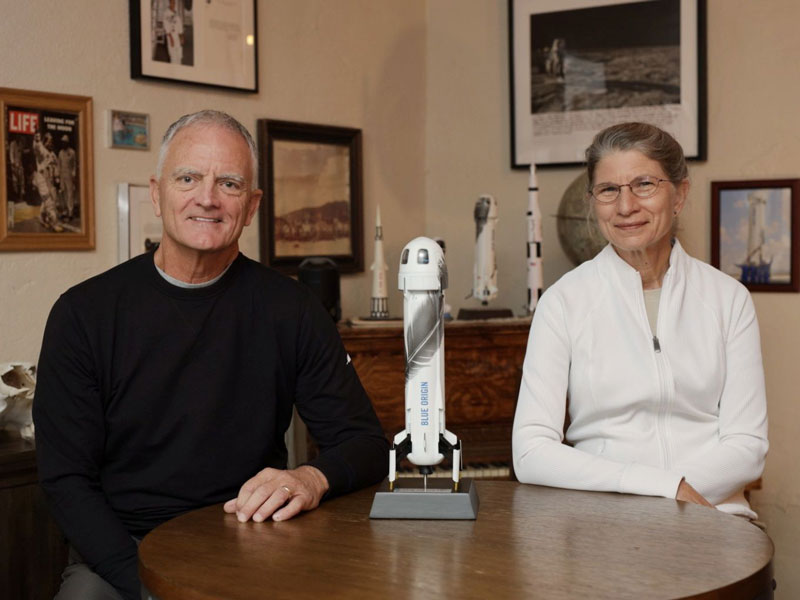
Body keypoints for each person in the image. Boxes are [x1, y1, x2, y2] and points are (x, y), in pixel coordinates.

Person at [34, 110, 389, 600]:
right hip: (121, 550)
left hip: (252, 540)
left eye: (229, 183)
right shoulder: (83, 314)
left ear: (252, 206)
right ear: (157, 194)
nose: (208, 197)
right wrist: (145, 585)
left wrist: (310, 477)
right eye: (188, 178)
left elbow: (366, 443)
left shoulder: (293, 310)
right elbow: (65, 479)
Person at [512, 122, 768, 519]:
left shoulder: (728, 299)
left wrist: (678, 496)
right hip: (607, 526)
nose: (625, 206)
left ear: (680, 193)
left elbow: (747, 446)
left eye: (644, 184)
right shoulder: (563, 302)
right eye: (608, 190)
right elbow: (530, 452)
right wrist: (664, 488)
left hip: (715, 520)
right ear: (592, 201)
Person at [58, 134, 77, 219]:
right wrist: (58, 176)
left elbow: (74, 165)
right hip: (62, 175)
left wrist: (73, 174)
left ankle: (70, 212)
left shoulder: (72, 152)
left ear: (67, 143)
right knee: (63, 193)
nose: (63, 144)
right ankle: (65, 210)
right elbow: (59, 165)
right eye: (62, 142)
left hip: (69, 174)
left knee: (70, 194)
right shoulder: (60, 153)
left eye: (65, 142)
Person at [162, 0, 184, 65]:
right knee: (173, 56)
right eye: (172, 2)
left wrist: (181, 36)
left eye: (174, 3)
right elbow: (166, 26)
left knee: (179, 55)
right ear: (169, 3)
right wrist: (171, 38)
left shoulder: (176, 13)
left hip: (177, 36)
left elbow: (179, 25)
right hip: (171, 37)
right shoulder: (166, 13)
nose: (173, 4)